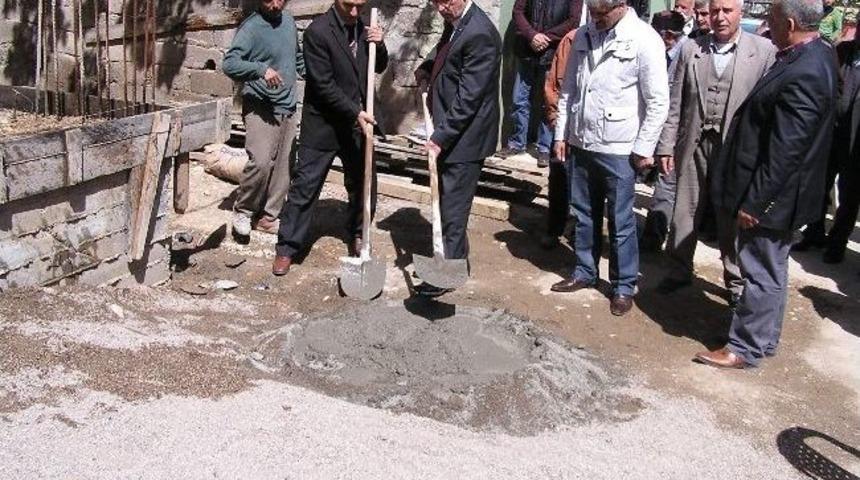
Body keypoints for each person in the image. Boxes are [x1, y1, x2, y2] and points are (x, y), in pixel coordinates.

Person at [696, 0, 837, 368]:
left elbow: (786, 150)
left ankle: (744, 348)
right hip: (778, 192)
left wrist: (756, 203)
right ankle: (763, 339)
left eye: (771, 21)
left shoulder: (807, 69)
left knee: (758, 270)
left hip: (774, 197)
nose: (765, 27)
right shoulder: (807, 55)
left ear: (790, 23)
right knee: (770, 269)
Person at [550, 0, 669, 316]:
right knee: (583, 213)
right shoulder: (585, 35)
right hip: (582, 141)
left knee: (621, 221)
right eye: (593, 13)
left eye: (602, 14)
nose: (596, 20)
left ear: (622, 5)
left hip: (619, 148)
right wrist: (562, 134)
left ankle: (622, 286)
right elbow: (568, 91)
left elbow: (658, 101)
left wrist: (643, 149)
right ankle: (585, 270)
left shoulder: (645, 39)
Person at [654, 0, 776, 306]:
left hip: (735, 150)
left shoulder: (763, 51)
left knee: (729, 217)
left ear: (740, 13)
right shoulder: (692, 49)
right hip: (694, 143)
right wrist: (666, 145)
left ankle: (735, 282)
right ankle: (678, 270)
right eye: (714, 11)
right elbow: (675, 103)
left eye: (727, 11)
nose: (720, 17)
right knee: (684, 210)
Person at [271, 0, 388, 276]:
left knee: (362, 183)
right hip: (323, 125)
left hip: (356, 126)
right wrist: (355, 110)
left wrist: (379, 44)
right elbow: (323, 85)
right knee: (305, 187)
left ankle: (359, 235)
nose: (357, 12)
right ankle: (287, 247)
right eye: (351, 6)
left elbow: (377, 66)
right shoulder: (318, 32)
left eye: (361, 6)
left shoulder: (363, 28)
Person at [412, 0, 502, 296]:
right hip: (452, 130)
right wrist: (427, 68)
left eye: (445, 1)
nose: (440, 8)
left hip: (466, 137)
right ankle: (455, 258)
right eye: (436, 2)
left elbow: (469, 98)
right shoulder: (458, 22)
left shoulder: (480, 34)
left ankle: (448, 270)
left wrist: (440, 137)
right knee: (448, 200)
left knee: (453, 205)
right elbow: (445, 55)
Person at [222, 0, 304, 236]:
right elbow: (229, 63)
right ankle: (244, 211)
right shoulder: (252, 28)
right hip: (260, 104)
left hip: (287, 103)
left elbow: (297, 58)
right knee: (259, 161)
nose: (275, 5)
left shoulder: (288, 21)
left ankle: (268, 217)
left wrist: (318, 73)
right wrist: (260, 69)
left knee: (284, 167)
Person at [505, 0, 583, 166]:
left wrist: (546, 37)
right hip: (526, 49)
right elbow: (518, 11)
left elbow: (573, 20)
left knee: (548, 102)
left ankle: (544, 148)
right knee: (519, 99)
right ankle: (517, 143)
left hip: (552, 53)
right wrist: (531, 35)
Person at [638, 10, 687, 254]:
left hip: (675, 132)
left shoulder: (687, 55)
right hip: (651, 126)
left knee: (665, 185)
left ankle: (653, 239)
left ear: (667, 35)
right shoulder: (657, 52)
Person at [821, 30, 860, 264]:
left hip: (856, 142)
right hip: (832, 132)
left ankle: (837, 243)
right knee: (820, 183)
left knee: (849, 194)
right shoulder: (843, 51)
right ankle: (814, 232)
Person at [543, 28, 579, 249]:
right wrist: (555, 117)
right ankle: (554, 228)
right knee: (559, 177)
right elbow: (554, 83)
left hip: (595, 130)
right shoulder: (572, 40)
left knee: (585, 187)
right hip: (565, 125)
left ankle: (579, 234)